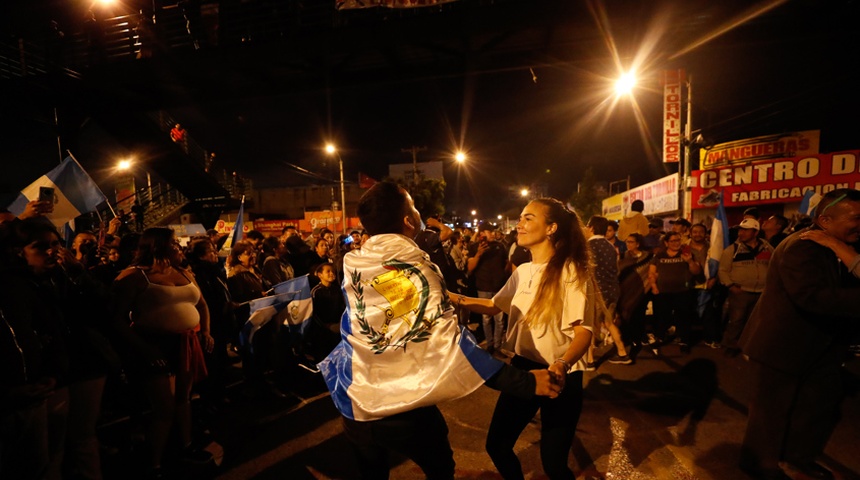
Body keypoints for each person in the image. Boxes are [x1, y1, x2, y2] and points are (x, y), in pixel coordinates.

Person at [318, 182, 558, 480]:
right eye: (414, 207)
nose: (419, 213)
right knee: (440, 468)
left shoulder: (353, 263)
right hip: (400, 406)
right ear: (408, 220)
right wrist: (525, 382)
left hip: (352, 400)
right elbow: (453, 343)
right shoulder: (417, 269)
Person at [454, 197, 595, 480]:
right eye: (520, 217)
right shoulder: (523, 271)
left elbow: (584, 332)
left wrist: (562, 365)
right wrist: (446, 296)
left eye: (529, 218)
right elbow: (494, 305)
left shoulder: (571, 270)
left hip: (560, 376)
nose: (520, 223)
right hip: (523, 370)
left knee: (553, 464)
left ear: (552, 227)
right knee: (497, 445)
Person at [739, 189, 860, 480]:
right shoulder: (803, 246)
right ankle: (760, 466)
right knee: (770, 414)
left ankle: (797, 459)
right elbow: (811, 297)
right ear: (826, 220)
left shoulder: (839, 244)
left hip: (820, 348)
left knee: (815, 408)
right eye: (856, 218)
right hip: (781, 347)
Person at [111, 228, 214, 477]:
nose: (178, 247)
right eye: (173, 243)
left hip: (186, 343)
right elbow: (116, 320)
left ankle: (186, 446)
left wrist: (206, 332)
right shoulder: (134, 277)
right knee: (163, 407)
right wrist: (143, 348)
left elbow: (201, 304)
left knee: (184, 398)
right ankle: (154, 464)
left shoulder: (183, 272)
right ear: (158, 246)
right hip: (154, 346)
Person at [718, 218, 772, 357]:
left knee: (755, 321)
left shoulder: (767, 248)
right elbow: (723, 270)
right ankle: (730, 345)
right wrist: (730, 285)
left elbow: (774, 266)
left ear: (755, 232)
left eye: (745, 230)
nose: (741, 233)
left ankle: (749, 346)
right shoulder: (732, 250)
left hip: (761, 292)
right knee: (736, 320)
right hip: (741, 291)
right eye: (740, 230)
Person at [648, 231, 703, 354]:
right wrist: (653, 286)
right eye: (672, 241)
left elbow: (696, 272)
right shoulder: (659, 256)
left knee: (683, 317)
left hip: (683, 292)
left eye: (678, 240)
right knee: (661, 317)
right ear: (666, 243)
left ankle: (684, 340)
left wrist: (689, 261)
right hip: (663, 292)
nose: (676, 243)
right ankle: (660, 337)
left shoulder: (687, 254)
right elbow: (652, 272)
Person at [467, 222, 510, 355]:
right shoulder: (474, 247)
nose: (493, 234)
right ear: (482, 234)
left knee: (499, 319)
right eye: (489, 232)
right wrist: (479, 254)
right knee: (486, 319)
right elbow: (469, 269)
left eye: (493, 231)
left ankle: (497, 347)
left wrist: (502, 277)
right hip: (483, 287)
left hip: (498, 288)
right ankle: (489, 345)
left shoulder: (500, 246)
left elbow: (506, 264)